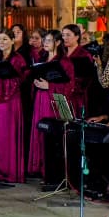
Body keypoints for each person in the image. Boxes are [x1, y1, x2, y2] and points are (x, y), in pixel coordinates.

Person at [27, 30, 75, 178]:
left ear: (58, 42)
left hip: (55, 101)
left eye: (48, 40)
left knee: (52, 134)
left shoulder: (65, 62)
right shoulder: (41, 59)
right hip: (41, 98)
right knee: (40, 130)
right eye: (44, 40)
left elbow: (70, 86)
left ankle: (52, 171)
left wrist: (50, 86)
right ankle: (39, 166)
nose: (45, 43)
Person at [0, 31, 28, 184]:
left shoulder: (18, 59)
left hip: (10, 101)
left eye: (5, 39)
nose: (1, 42)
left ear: (13, 41)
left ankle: (7, 171)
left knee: (6, 133)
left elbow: (20, 81)